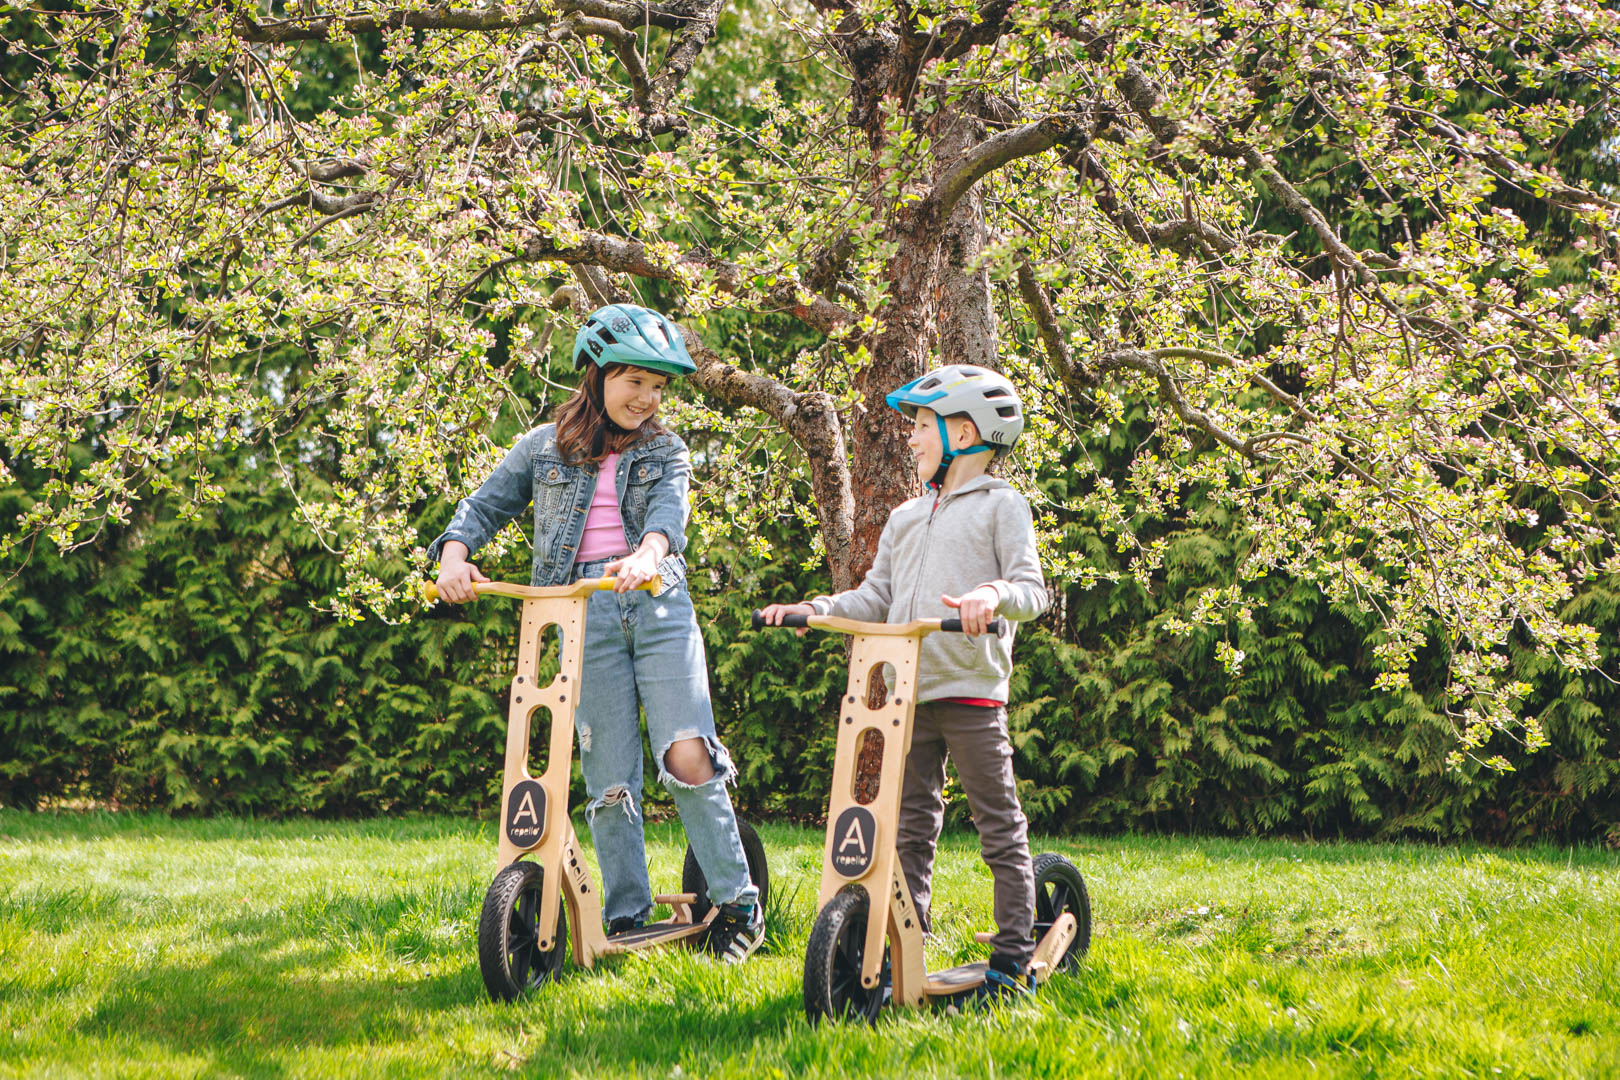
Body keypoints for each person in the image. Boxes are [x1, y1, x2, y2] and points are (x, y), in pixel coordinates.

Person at [429, 303, 764, 963]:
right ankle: (626, 914)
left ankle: (738, 903)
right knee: (608, 777)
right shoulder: (542, 447)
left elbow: (668, 518)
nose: (646, 398)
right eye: (634, 380)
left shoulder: (667, 450)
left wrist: (648, 554)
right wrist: (454, 555)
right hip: (580, 609)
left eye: (658, 387)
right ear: (597, 373)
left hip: (657, 603)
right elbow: (484, 505)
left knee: (685, 754)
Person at [760, 363, 1049, 1002]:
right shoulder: (906, 517)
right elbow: (876, 598)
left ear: (966, 432)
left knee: (998, 824)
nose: (911, 439)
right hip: (902, 697)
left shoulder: (1004, 506)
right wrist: (818, 609)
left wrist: (990, 594)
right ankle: (900, 949)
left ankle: (1011, 959)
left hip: (970, 692)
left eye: (922, 426)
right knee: (909, 828)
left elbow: (1032, 592)